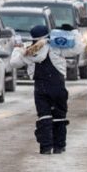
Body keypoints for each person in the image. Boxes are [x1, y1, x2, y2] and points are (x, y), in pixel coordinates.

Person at [10, 25, 80, 155]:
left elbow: (13, 63)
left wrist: (17, 49)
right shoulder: (56, 47)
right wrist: (74, 32)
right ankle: (59, 146)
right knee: (59, 116)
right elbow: (77, 48)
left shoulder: (29, 52)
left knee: (44, 117)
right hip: (58, 86)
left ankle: (46, 147)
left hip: (40, 88)